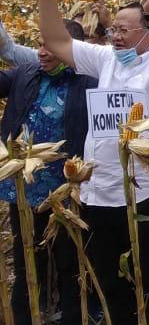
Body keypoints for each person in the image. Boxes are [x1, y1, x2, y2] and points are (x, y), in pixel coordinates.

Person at [36, 0, 149, 325]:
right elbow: (57, 41)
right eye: (113, 29)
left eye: (124, 30)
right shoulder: (106, 59)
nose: (114, 36)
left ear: (148, 34)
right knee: (112, 284)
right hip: (98, 193)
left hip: (147, 194)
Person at [0, 19, 98, 325]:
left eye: (49, 46)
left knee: (71, 261)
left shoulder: (90, 81)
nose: (41, 52)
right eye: (39, 44)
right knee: (27, 257)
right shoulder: (26, 73)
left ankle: (74, 316)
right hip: (24, 187)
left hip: (68, 190)